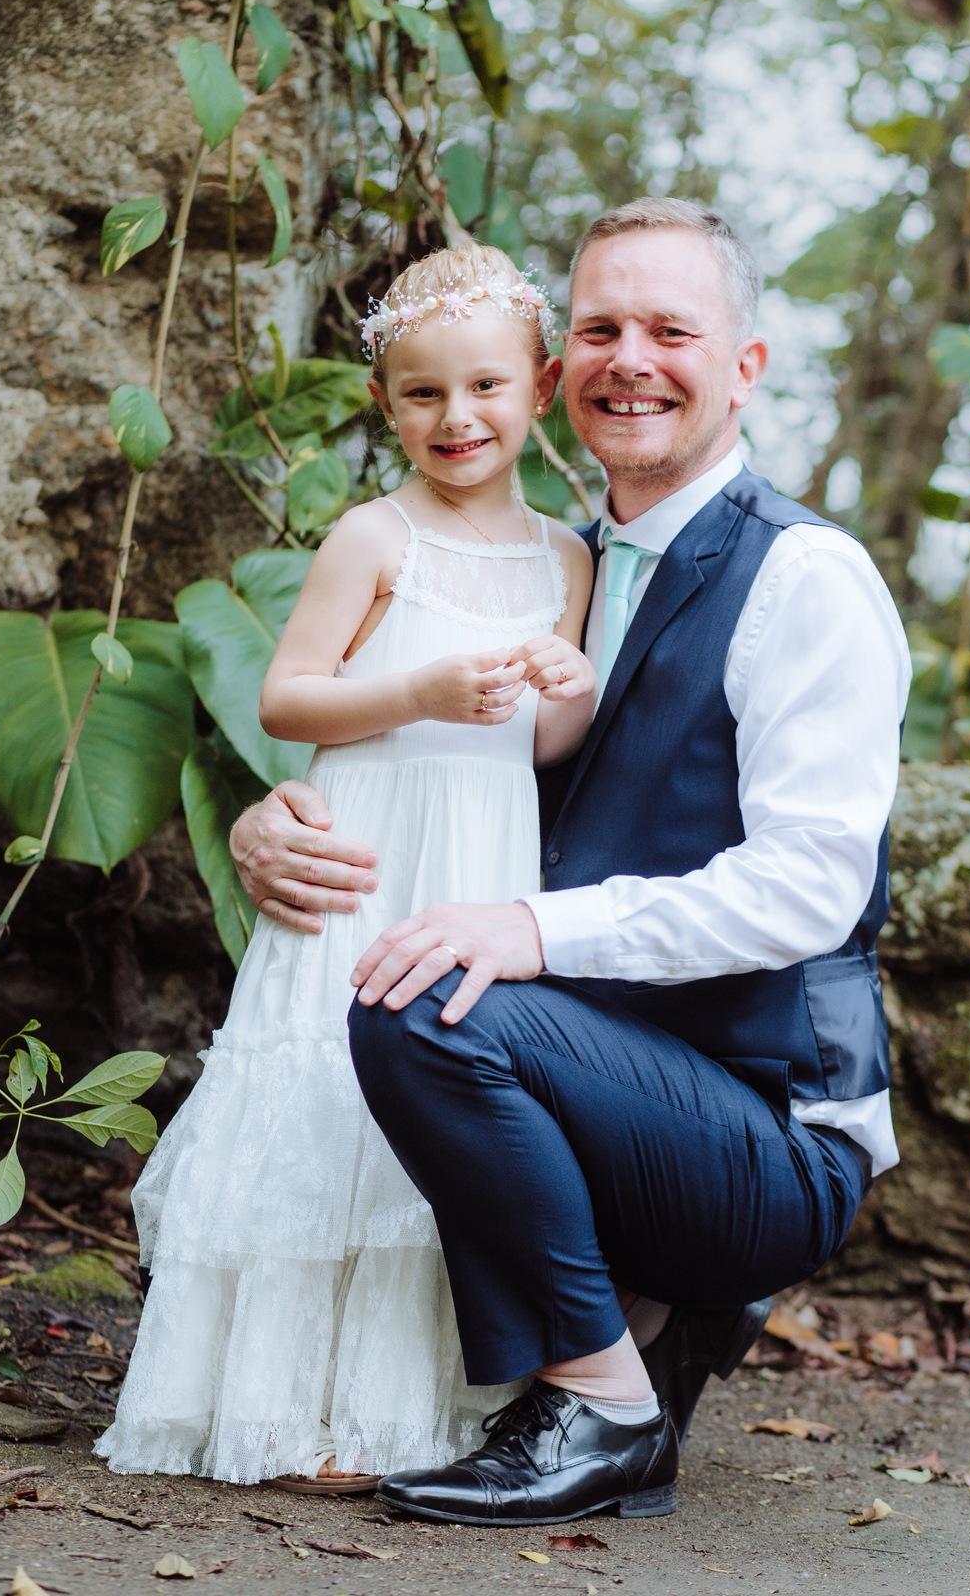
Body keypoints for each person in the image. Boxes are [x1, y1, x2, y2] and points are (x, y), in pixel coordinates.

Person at [228, 197, 913, 1528]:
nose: (630, 357)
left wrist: (535, 934)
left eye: (672, 329)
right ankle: (614, 1336)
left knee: (426, 1001)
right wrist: (279, 816)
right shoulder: (558, 566)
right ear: (561, 371)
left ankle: (607, 1404)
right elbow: (437, 762)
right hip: (600, 1077)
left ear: (747, 368)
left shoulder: (805, 581)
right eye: (601, 327)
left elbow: (811, 889)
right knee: (416, 982)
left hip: (768, 1128)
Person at [95, 243, 598, 1489]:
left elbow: (544, 743)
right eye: (423, 393)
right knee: (326, 1097)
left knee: (437, 1117)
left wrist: (569, 688)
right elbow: (286, 699)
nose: (456, 416)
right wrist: (417, 687)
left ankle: (401, 1409)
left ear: (538, 387)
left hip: (476, 862)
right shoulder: (375, 538)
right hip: (368, 849)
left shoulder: (566, 561)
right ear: (386, 404)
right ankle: (273, 1402)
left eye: (485, 387)